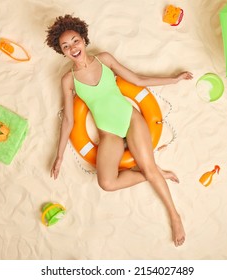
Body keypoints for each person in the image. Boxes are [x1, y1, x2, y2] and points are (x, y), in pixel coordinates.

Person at [46, 14, 193, 247]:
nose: (72, 47)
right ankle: (154, 173)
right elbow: (68, 122)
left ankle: (174, 216)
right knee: (107, 183)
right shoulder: (68, 80)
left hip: (130, 119)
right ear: (61, 51)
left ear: (83, 39)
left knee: (147, 165)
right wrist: (59, 155)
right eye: (65, 46)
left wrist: (173, 80)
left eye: (75, 40)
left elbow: (137, 79)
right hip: (108, 133)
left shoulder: (104, 59)